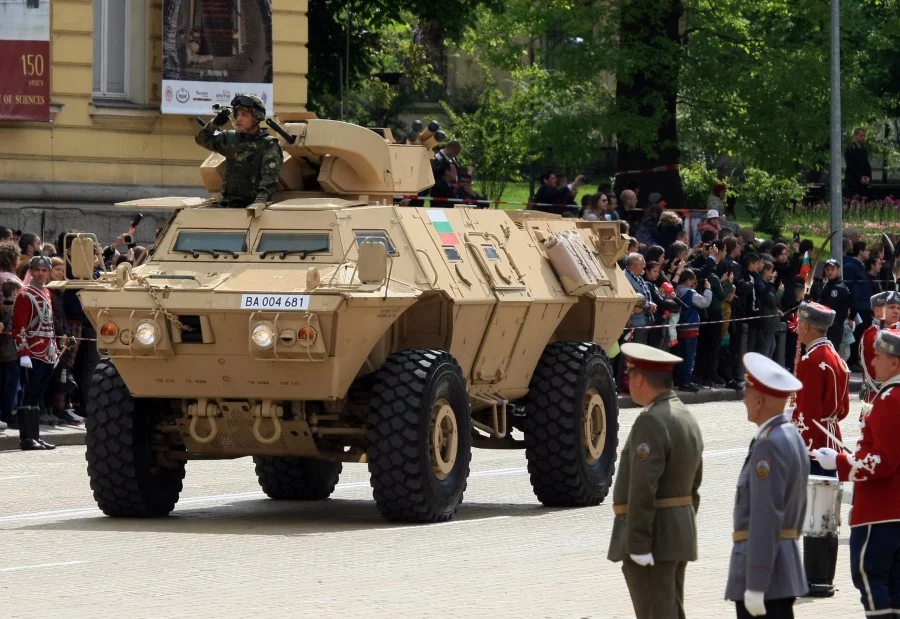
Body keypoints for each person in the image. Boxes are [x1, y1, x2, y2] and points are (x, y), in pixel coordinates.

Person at [607, 343, 703, 619]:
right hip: (677, 533)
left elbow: (642, 487)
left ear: (639, 379)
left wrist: (637, 543)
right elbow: (694, 486)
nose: (629, 383)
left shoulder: (651, 421)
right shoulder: (686, 416)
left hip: (654, 538)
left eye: (630, 375)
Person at [813, 328, 900, 618]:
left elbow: (884, 460)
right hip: (891, 510)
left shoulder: (891, 400)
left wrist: (840, 463)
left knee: (871, 578)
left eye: (879, 357)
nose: (873, 363)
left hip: (881, 512)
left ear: (895, 363)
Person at [725, 352, 808, 618]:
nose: (744, 399)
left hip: (765, 574)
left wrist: (756, 584)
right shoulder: (791, 435)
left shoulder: (768, 445)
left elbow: (765, 516)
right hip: (783, 566)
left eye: (747, 392)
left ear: (759, 400)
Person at [790, 301, 849, 596]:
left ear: (808, 327)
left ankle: (815, 579)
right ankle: (823, 577)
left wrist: (794, 434)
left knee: (816, 515)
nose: (797, 328)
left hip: (815, 443)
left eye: (800, 324)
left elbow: (808, 412)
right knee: (827, 516)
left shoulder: (814, 361)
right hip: (831, 436)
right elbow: (842, 409)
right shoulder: (832, 356)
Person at [194, 93, 283, 209]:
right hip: (227, 204)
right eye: (237, 114)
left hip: (251, 206)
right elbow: (201, 139)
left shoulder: (269, 144)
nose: (239, 118)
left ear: (257, 117)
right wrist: (215, 123)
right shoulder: (231, 139)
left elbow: (269, 178)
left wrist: (260, 200)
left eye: (244, 115)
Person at [12, 256, 58, 451]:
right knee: (29, 394)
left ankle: (35, 436)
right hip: (33, 350)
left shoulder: (46, 292)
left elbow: (49, 324)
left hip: (47, 350)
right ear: (31, 271)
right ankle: (26, 438)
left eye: (44, 270)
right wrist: (23, 352)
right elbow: (19, 326)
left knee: (38, 393)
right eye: (37, 270)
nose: (40, 273)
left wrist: (54, 348)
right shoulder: (25, 294)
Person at [859, 291, 890, 412]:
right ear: (877, 310)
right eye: (890, 307)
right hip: (878, 394)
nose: (896, 311)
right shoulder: (873, 335)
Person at [815, 259, 851, 352]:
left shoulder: (841, 288)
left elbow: (844, 310)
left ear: (838, 270)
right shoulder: (826, 285)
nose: (830, 272)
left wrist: (834, 323)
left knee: (831, 352)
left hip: (834, 327)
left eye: (832, 269)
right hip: (823, 325)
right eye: (827, 269)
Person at [845, 127, 872, 200]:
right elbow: (850, 166)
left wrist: (868, 177)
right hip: (853, 181)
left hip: (864, 182)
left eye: (864, 136)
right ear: (855, 136)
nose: (863, 138)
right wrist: (860, 177)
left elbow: (867, 165)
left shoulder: (864, 150)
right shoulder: (850, 149)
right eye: (861, 136)